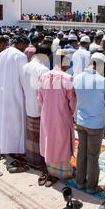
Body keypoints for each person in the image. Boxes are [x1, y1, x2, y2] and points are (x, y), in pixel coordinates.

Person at [38, 49, 77, 187]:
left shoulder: (44, 76)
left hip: (47, 115)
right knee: (62, 143)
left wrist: (48, 110)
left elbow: (40, 98)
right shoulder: (67, 78)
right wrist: (70, 113)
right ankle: (63, 172)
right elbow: (72, 102)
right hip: (62, 116)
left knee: (50, 141)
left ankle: (50, 170)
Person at [73, 53, 105, 194]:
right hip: (95, 123)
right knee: (93, 156)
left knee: (82, 152)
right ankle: (91, 186)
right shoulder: (102, 81)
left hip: (81, 121)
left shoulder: (77, 78)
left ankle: (80, 182)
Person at [0, 34, 30, 171]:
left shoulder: (2, 54)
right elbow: (24, 77)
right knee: (17, 124)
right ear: (20, 43)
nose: (25, 49)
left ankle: (6, 147)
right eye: (25, 45)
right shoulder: (20, 56)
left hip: (3, 92)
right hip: (16, 93)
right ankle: (18, 150)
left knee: (5, 122)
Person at [21, 45, 51, 181]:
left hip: (28, 104)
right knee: (40, 136)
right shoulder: (43, 69)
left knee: (31, 135)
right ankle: (39, 162)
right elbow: (46, 91)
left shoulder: (25, 66)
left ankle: (31, 159)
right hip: (40, 107)